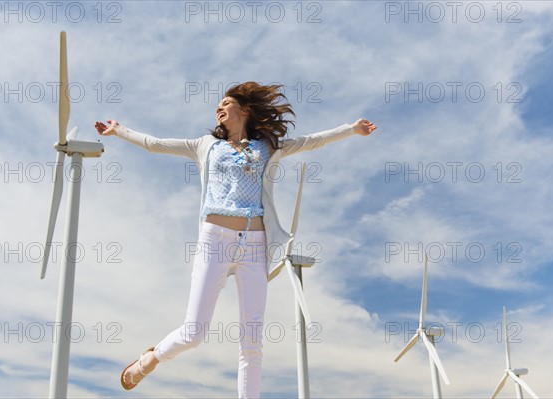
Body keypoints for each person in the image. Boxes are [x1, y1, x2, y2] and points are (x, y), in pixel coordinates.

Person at [94, 81, 377, 398]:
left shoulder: (266, 147)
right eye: (218, 104)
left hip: (254, 246)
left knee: (252, 343)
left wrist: (351, 129)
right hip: (214, 241)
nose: (219, 107)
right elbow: (155, 144)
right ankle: (150, 358)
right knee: (194, 333)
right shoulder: (205, 146)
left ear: (244, 110)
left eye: (226, 103)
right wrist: (120, 131)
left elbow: (310, 141)